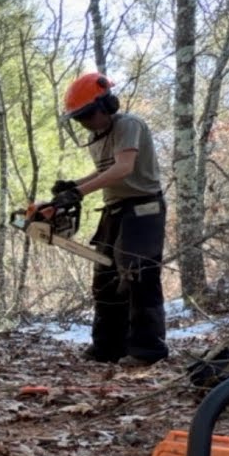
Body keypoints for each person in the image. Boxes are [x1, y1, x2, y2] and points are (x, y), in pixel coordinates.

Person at [48, 72, 169, 366]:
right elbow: (106, 170)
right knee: (105, 277)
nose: (86, 122)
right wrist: (73, 187)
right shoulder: (96, 138)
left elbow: (123, 168)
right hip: (114, 209)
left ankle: (147, 350)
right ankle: (108, 347)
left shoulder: (128, 125)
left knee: (138, 275)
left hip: (143, 208)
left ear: (108, 104)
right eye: (80, 118)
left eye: (89, 114)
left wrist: (80, 193)